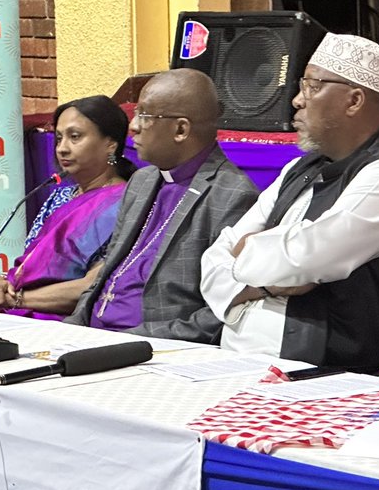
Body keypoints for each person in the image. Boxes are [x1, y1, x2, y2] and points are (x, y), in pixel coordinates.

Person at [199, 33, 379, 376]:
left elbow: (304, 257)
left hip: (331, 375)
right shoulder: (299, 168)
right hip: (236, 360)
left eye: (312, 86)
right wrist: (267, 279)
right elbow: (214, 258)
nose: (296, 101)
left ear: (354, 101)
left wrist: (251, 259)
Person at [66, 70, 258, 342]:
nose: (133, 126)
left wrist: (135, 342)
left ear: (181, 129)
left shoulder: (232, 195)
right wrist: (70, 328)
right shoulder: (142, 181)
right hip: (91, 336)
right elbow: (108, 274)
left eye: (144, 115)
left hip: (152, 348)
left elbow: (221, 310)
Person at [0, 95, 132, 318]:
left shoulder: (128, 202)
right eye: (59, 138)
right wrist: (0, 284)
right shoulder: (60, 197)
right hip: (19, 304)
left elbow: (95, 286)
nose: (62, 148)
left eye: (75, 137)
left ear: (111, 144)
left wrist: (15, 299)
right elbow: (31, 266)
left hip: (66, 317)